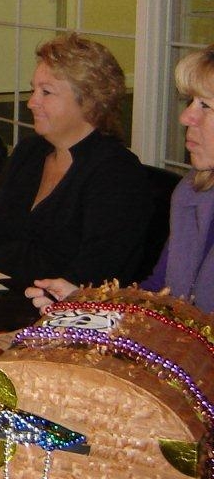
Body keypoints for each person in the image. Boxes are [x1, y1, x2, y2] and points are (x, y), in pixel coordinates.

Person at [27, 44, 214, 314]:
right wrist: (86, 302)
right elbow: (161, 292)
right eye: (191, 102)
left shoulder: (114, 172)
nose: (186, 117)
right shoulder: (193, 191)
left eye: (205, 105)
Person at [0, 34, 151, 287]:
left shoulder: (117, 175)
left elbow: (93, 276)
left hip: (58, 313)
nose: (32, 102)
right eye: (34, 90)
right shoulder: (30, 152)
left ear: (89, 101)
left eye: (47, 92)